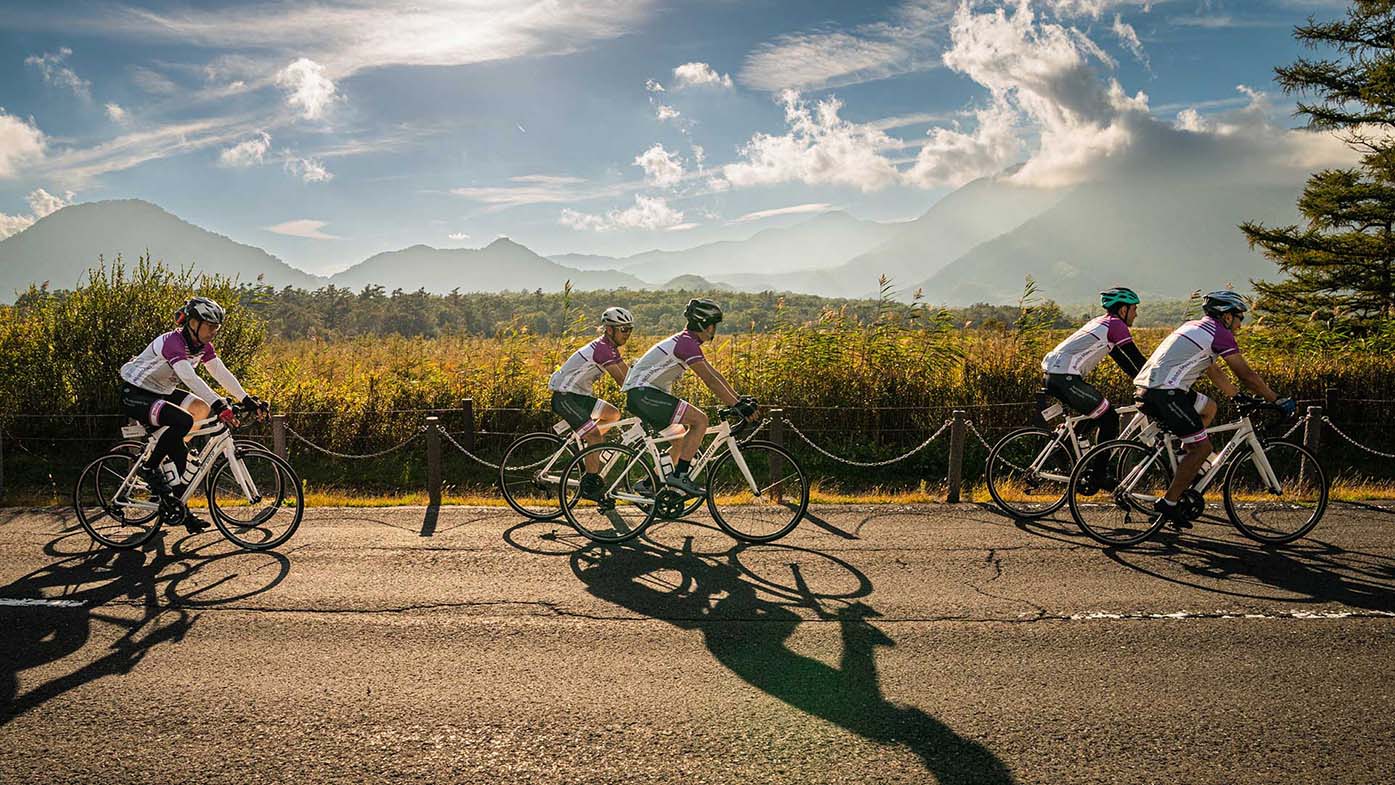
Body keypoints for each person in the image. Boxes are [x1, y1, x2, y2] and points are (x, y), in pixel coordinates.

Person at [1133, 290, 1296, 528]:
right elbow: (1247, 375)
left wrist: (1237, 396)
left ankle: (1183, 457)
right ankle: (1169, 504)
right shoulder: (1220, 334)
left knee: (1209, 408)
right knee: (1203, 448)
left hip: (1150, 388)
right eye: (1239, 317)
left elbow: (1213, 370)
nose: (1241, 324)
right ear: (1226, 317)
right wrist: (1276, 399)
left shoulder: (1195, 327)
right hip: (1166, 393)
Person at [119, 296, 267, 531]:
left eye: (216, 328)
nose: (213, 332)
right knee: (184, 419)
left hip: (161, 391)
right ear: (193, 323)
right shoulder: (173, 342)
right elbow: (189, 377)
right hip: (137, 392)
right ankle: (150, 468)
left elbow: (220, 372)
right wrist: (220, 404)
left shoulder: (202, 346)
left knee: (198, 413)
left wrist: (246, 399)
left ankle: (179, 509)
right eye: (210, 327)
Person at [621, 298, 757, 497]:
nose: (714, 330)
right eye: (713, 325)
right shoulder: (686, 344)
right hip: (643, 394)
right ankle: (680, 476)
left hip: (644, 394)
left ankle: (650, 483)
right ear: (705, 325)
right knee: (700, 420)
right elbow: (709, 380)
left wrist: (738, 399)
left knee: (680, 440)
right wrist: (736, 405)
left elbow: (714, 374)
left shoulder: (687, 341)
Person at [1040, 287, 1148, 460]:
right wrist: (1157, 382)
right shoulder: (1116, 325)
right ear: (1123, 309)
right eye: (1134, 309)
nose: (1136, 314)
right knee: (1110, 419)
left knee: (1097, 410)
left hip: (1054, 375)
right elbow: (1136, 358)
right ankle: (1098, 473)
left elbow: (1123, 361)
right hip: (1065, 377)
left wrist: (1140, 381)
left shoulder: (1101, 323)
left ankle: (1064, 450)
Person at [548, 307, 633, 502]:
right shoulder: (602, 349)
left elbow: (628, 375)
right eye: (623, 329)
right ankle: (590, 484)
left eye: (630, 329)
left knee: (612, 414)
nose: (627, 334)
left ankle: (590, 449)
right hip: (565, 396)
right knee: (595, 436)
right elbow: (622, 382)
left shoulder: (610, 348)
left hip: (580, 396)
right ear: (609, 330)